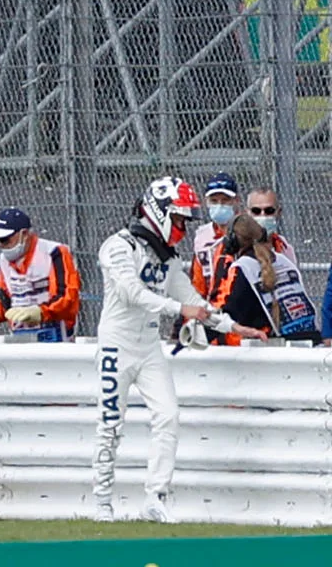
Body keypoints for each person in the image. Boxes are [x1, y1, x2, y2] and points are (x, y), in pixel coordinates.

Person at [92, 176, 265, 523]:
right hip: (116, 345)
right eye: (180, 218)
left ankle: (155, 496)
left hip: (148, 346)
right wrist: (179, 310)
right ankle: (101, 502)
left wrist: (232, 326)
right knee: (110, 423)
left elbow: (194, 301)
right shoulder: (117, 246)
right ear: (160, 211)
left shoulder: (167, 258)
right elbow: (132, 293)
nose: (184, 227)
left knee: (168, 416)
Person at [0, 207, 81, 341]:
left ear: (24, 234)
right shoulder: (5, 260)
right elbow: (6, 297)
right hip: (20, 335)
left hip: (56, 335)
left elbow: (67, 296)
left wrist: (40, 311)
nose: (0, 245)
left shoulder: (54, 252)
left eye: (5, 239)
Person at [217, 215, 321, 344]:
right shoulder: (284, 260)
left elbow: (222, 311)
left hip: (272, 348)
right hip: (312, 341)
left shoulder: (242, 269)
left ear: (232, 242)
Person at [188, 172, 239, 299]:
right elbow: (197, 280)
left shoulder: (246, 231)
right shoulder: (202, 236)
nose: (220, 205)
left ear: (236, 201)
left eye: (225, 200)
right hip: (212, 304)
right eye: (214, 201)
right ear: (207, 202)